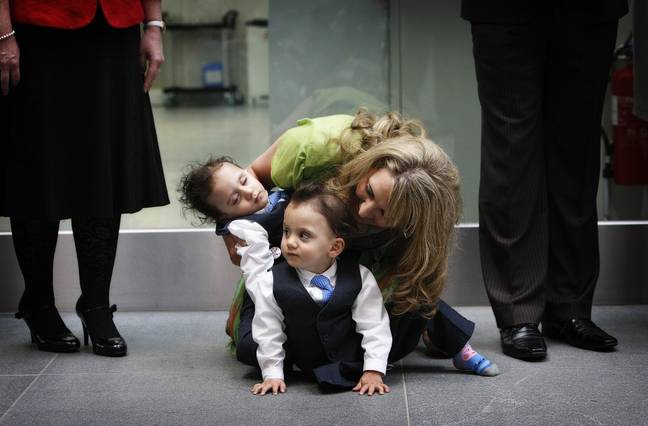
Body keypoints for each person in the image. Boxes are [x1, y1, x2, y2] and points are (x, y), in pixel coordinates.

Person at [182, 110, 498, 377]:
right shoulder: (318, 145)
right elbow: (244, 181)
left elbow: (417, 278)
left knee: (405, 309)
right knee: (254, 345)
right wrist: (231, 229)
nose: (364, 211)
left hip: (359, 272)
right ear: (372, 164)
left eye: (384, 213)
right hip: (297, 261)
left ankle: (424, 333)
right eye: (370, 192)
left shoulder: (420, 228)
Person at [0, 1, 169, 356]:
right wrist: (3, 31)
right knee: (40, 164)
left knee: (102, 162)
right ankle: (39, 304)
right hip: (36, 29)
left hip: (114, 27)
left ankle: (95, 304)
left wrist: (154, 24)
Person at [461, 0, 628, 360]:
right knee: (511, 151)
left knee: (577, 151)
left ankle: (570, 308)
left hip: (590, 10)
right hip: (504, 11)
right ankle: (518, 311)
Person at [229, 183, 392, 395]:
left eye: (304, 235)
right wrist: (273, 374)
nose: (290, 243)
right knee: (250, 345)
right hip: (299, 356)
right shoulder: (272, 281)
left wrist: (373, 370)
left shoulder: (360, 277)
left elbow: (374, 325)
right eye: (287, 232)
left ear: (334, 247)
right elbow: (269, 330)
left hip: (345, 355)